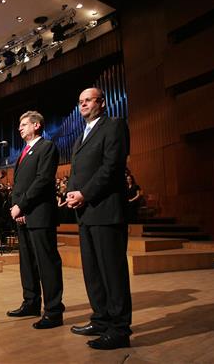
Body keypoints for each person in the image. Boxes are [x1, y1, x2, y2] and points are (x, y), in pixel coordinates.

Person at [66, 87, 132, 350]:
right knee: (93, 272)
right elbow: (76, 169)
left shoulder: (114, 125)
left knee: (112, 272)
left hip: (106, 210)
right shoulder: (81, 134)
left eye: (88, 100)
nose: (82, 104)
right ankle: (101, 318)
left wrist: (84, 193)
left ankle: (119, 329)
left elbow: (112, 167)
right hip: (85, 212)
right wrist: (71, 192)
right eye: (80, 101)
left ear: (101, 103)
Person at [7, 110, 65, 330]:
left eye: (24, 124)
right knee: (27, 263)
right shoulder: (25, 151)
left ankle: (53, 310)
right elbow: (20, 185)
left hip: (40, 214)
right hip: (24, 214)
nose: (20, 128)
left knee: (46, 263)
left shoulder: (46, 147)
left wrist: (22, 205)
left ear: (37, 126)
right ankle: (31, 302)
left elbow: (42, 180)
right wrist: (18, 208)